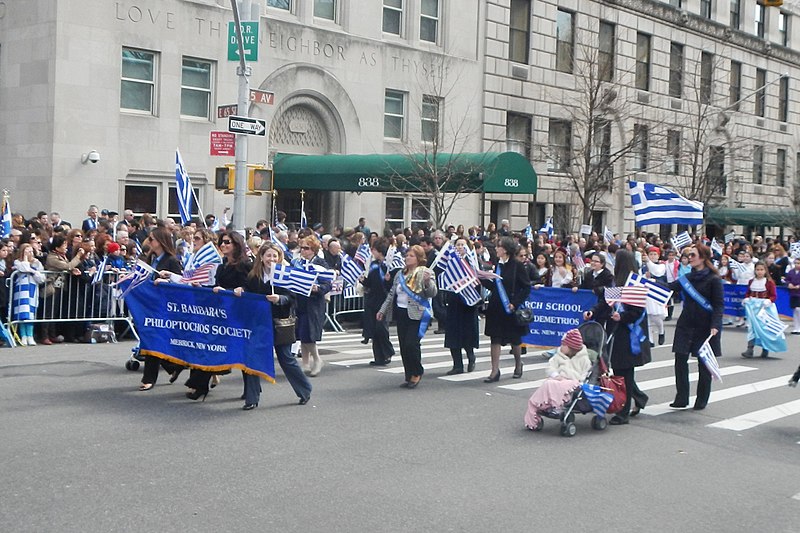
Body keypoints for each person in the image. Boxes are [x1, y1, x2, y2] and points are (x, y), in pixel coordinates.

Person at [234, 242, 312, 410]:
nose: (271, 259)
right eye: (268, 255)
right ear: (261, 257)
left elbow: (292, 299)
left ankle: (304, 390)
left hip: (279, 323)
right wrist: (241, 290)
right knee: (253, 358)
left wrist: (279, 299)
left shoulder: (284, 275)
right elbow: (247, 290)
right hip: (258, 323)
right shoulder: (253, 276)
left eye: (275, 256)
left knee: (286, 359)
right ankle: (252, 398)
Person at [583, 249, 651, 424]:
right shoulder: (616, 283)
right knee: (621, 370)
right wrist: (592, 311)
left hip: (629, 333)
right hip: (616, 330)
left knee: (625, 371)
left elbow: (637, 311)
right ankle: (638, 398)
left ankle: (624, 411)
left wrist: (623, 316)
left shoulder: (634, 283)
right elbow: (606, 302)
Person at [184, 231, 252, 400]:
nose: (223, 245)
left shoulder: (246, 265)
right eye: (221, 242)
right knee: (208, 346)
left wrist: (229, 292)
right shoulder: (222, 265)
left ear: (236, 244)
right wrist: (202, 287)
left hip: (239, 315)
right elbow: (216, 287)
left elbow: (248, 289)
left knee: (243, 353)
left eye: (227, 242)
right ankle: (200, 386)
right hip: (220, 313)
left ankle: (251, 389)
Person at [666, 243, 724, 411]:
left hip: (705, 325)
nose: (689, 258)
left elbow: (719, 305)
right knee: (680, 359)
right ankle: (682, 397)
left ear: (703, 258)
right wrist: (650, 284)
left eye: (693, 255)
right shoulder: (688, 278)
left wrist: (715, 324)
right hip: (686, 322)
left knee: (703, 363)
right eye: (688, 255)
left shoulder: (714, 279)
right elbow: (670, 288)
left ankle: (701, 399)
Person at [377, 245, 437, 388]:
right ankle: (409, 374)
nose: (407, 258)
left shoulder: (425, 272)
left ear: (418, 258)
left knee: (412, 344)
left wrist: (428, 282)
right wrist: (382, 310)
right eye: (407, 255)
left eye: (411, 255)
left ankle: (417, 372)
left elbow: (432, 293)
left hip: (417, 313)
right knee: (404, 345)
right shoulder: (399, 274)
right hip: (401, 313)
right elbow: (392, 294)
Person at [138, 227, 183, 391]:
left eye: (152, 239)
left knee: (153, 339)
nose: (149, 242)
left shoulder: (171, 260)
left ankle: (149, 378)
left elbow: (180, 283)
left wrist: (167, 280)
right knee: (152, 338)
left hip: (165, 306)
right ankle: (173, 365)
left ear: (161, 241)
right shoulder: (151, 258)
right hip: (151, 304)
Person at [479, 237, 531, 382]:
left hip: (510, 307)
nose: (496, 249)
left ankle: (518, 364)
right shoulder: (497, 265)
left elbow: (526, 287)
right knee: (494, 338)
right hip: (496, 307)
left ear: (506, 249)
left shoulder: (517, 265)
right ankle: (494, 371)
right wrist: (480, 278)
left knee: (514, 340)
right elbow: (495, 286)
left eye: (499, 247)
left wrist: (515, 303)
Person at [523, 329, 592, 430]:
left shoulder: (583, 359)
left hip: (573, 384)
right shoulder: (559, 356)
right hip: (558, 380)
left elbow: (584, 376)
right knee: (549, 383)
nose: (561, 347)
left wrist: (569, 377)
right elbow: (551, 367)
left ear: (571, 347)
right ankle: (542, 405)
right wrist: (556, 375)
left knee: (553, 384)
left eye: (564, 345)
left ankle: (556, 405)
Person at [293, 235, 332, 376]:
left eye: (306, 248)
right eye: (301, 248)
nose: (303, 251)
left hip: (314, 303)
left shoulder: (320, 263)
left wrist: (318, 288)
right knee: (302, 333)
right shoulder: (298, 263)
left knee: (309, 333)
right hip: (300, 301)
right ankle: (305, 363)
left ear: (313, 250)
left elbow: (328, 284)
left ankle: (317, 359)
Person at [443, 238, 480, 374]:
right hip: (454, 300)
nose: (459, 247)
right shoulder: (450, 261)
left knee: (467, 334)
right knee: (453, 334)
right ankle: (457, 365)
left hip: (468, 302)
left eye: (462, 245)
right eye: (457, 245)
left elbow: (477, 279)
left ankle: (471, 356)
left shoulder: (471, 261)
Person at [362, 237, 395, 366]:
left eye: (374, 249)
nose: (372, 252)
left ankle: (388, 352)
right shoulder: (374, 265)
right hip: (373, 299)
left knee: (381, 328)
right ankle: (378, 357)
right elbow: (369, 283)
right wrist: (363, 281)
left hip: (384, 299)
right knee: (374, 329)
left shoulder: (389, 265)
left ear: (380, 251)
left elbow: (392, 285)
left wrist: (388, 280)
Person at [740, 261, 778, 359]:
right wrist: (746, 298)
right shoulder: (751, 281)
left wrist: (768, 301)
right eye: (757, 270)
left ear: (765, 271)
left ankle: (765, 349)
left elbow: (773, 296)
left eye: (761, 270)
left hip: (764, 308)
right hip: (753, 308)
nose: (759, 272)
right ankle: (750, 349)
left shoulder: (769, 282)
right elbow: (748, 293)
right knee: (752, 328)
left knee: (764, 328)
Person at [11, 243, 46, 346]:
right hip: (21, 290)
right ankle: (23, 336)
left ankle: (30, 335)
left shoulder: (37, 263)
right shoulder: (17, 262)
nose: (30, 253)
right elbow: (24, 268)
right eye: (27, 251)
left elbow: (41, 278)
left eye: (31, 251)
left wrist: (35, 272)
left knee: (31, 313)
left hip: (32, 289)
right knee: (22, 313)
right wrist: (26, 259)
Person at [785, 257, 800, 335]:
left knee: (798, 309)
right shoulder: (791, 272)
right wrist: (789, 284)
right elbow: (787, 280)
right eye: (796, 263)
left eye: (798, 263)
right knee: (794, 310)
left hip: (799, 293)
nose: (797, 265)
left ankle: (799, 327)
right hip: (793, 293)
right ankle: (796, 327)